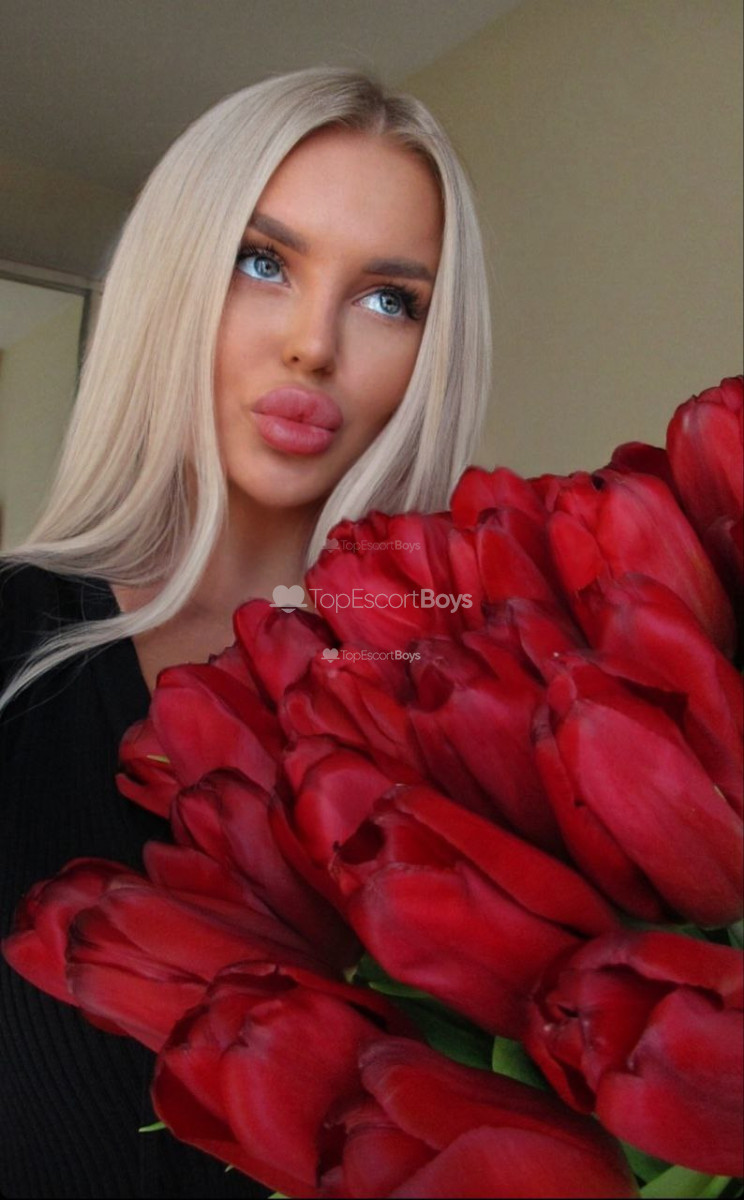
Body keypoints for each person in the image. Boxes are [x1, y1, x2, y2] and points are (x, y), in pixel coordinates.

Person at [0, 66, 492, 1198]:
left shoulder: (467, 690)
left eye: (389, 299)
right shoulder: (12, 644)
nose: (313, 346)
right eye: (262, 262)